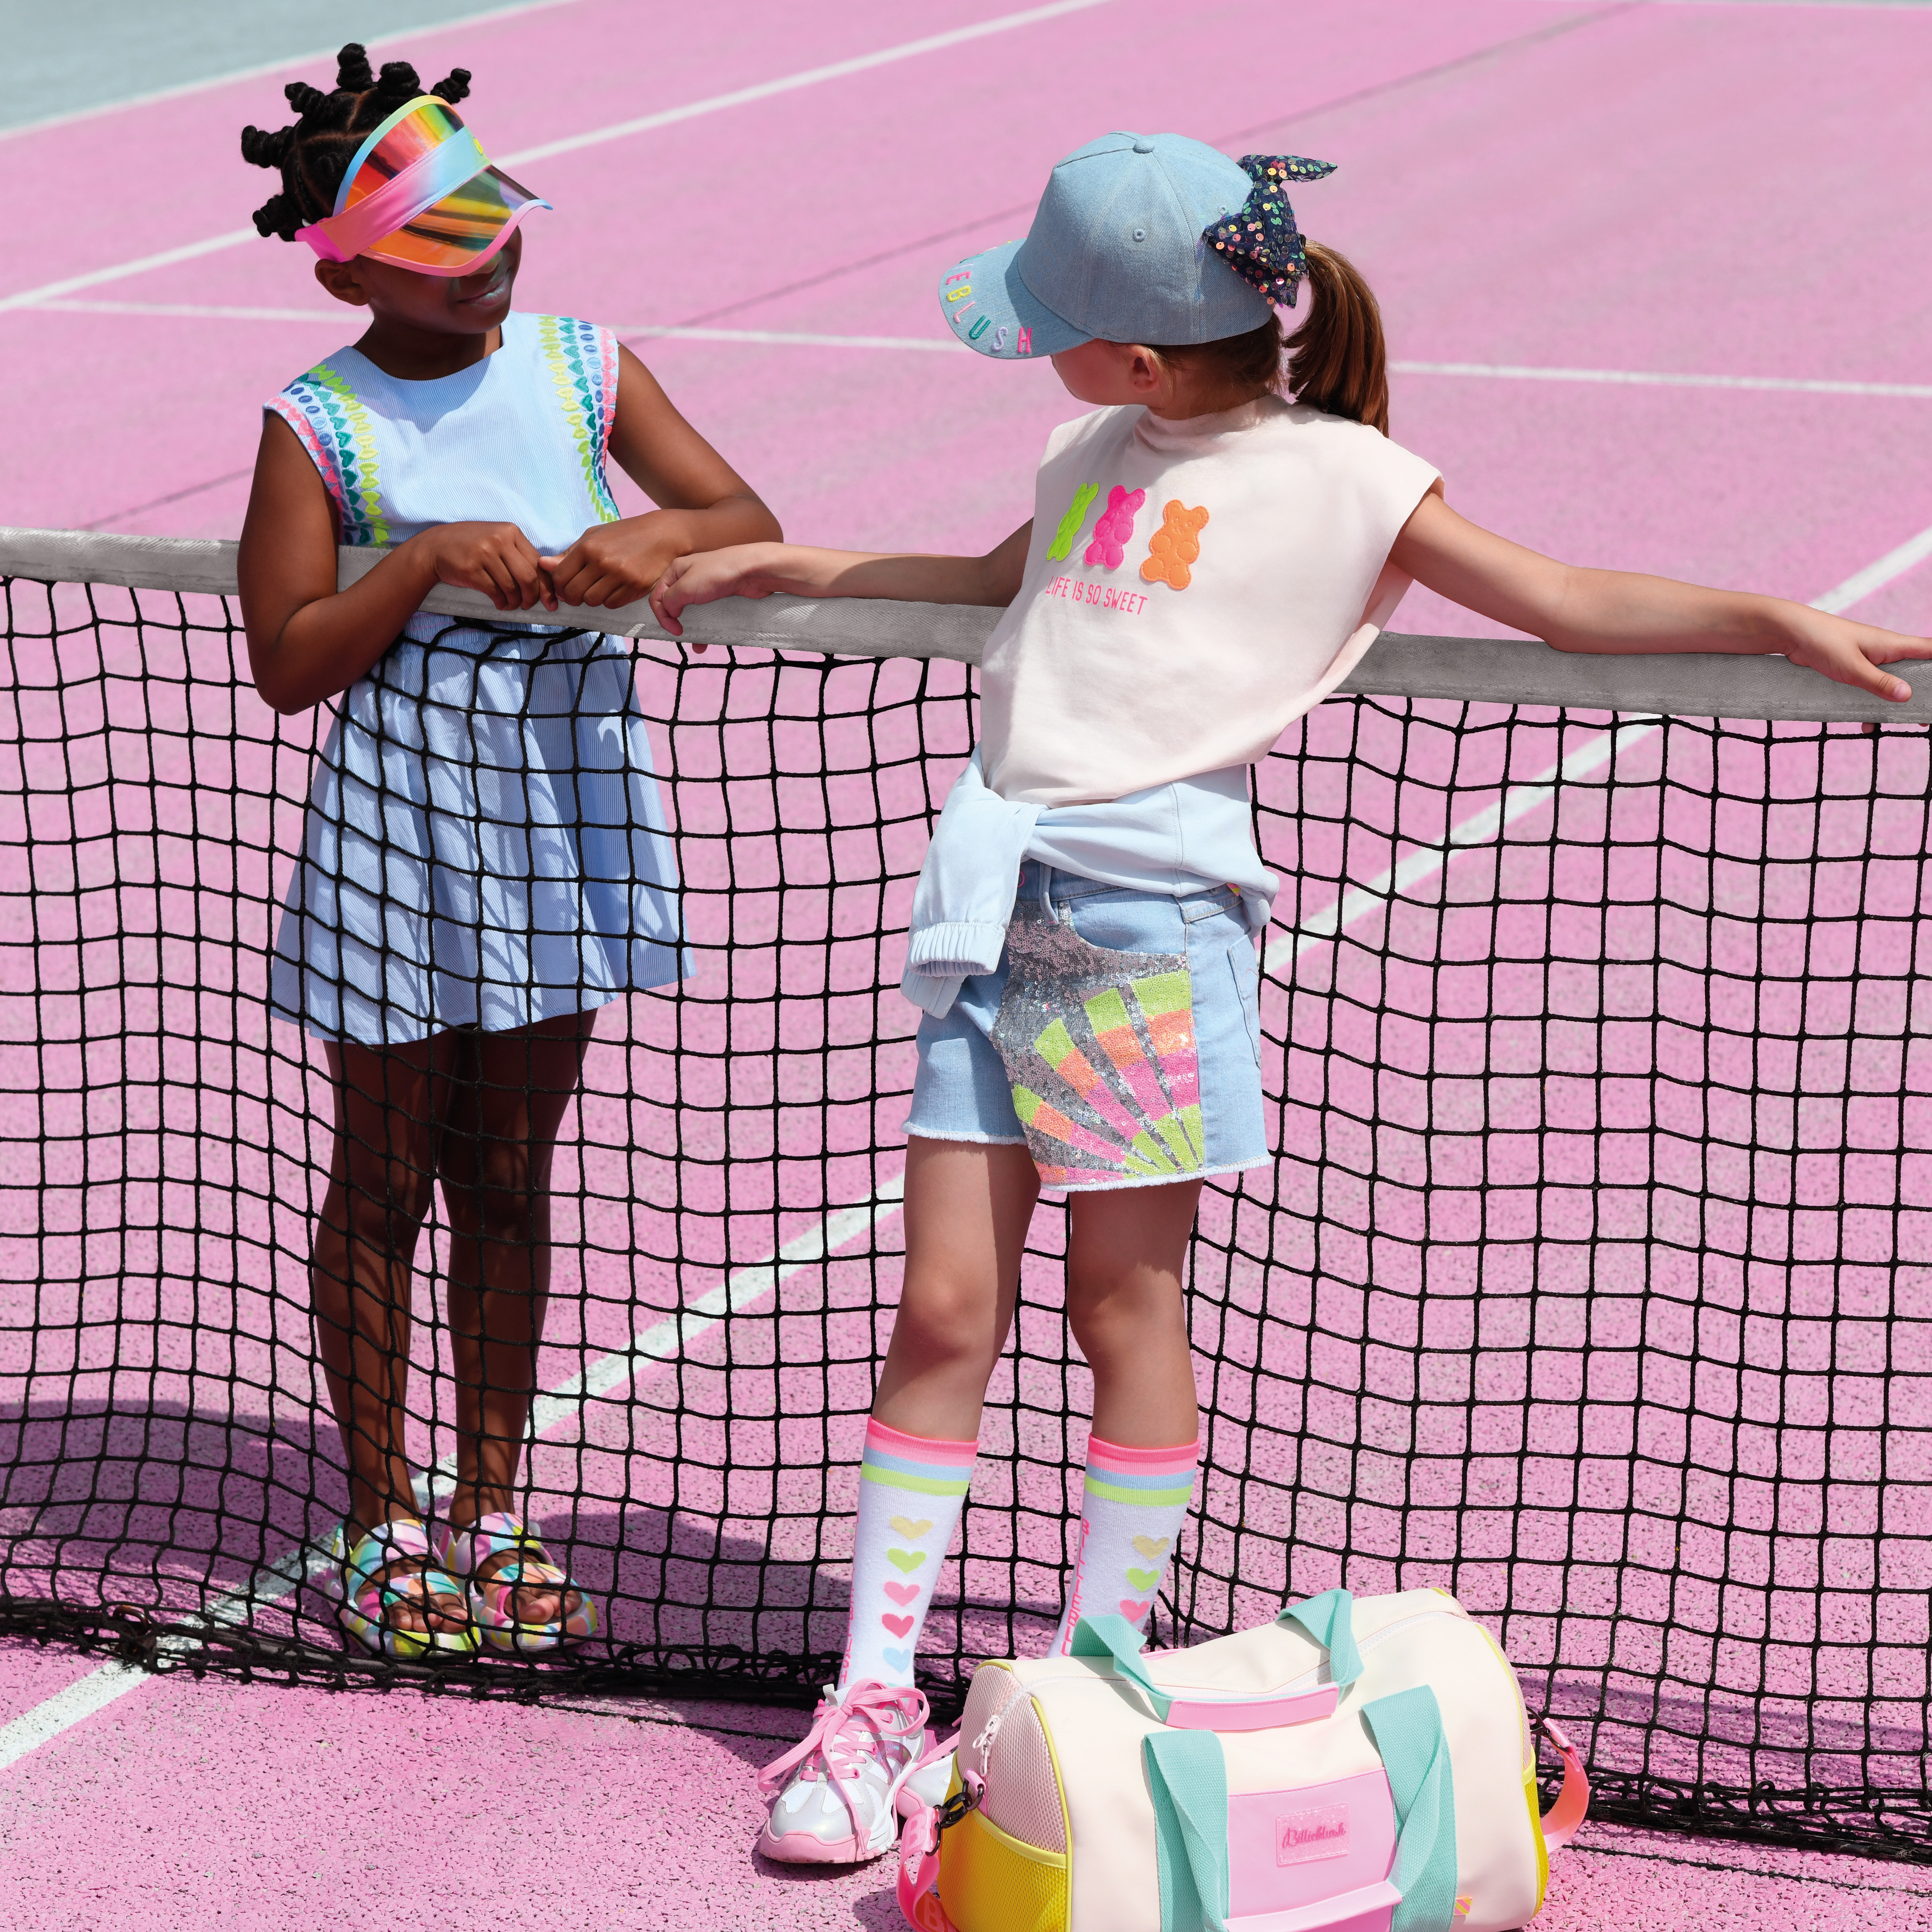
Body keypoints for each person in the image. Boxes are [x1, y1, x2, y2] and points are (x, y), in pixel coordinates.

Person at [651, 130, 1932, 1862]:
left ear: (1135, 349)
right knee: (944, 1304)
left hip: (1135, 928)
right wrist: (797, 566)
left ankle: (1093, 1683)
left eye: (1052, 326)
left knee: (1124, 1308)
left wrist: (1776, 617)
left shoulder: (1349, 477)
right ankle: (873, 1695)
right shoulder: (1084, 443)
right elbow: (995, 593)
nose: (1041, 355)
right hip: (988, 901)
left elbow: (1556, 600)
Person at [234, 45, 780, 1661]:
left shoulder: (583, 367)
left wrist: (655, 534)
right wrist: (414, 567)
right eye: (438, 248)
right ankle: (383, 1513)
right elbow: (288, 656)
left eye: (493, 231)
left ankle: (491, 1500)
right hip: (400, 819)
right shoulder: (313, 419)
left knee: (510, 1175)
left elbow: (735, 505)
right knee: (384, 1175)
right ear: (347, 262)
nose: (484, 265)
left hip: (565, 813)